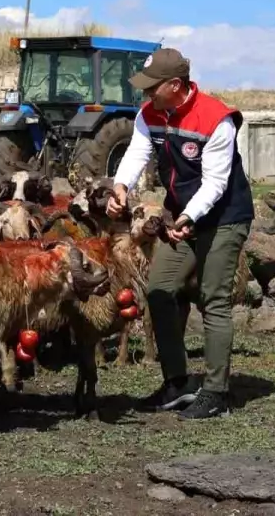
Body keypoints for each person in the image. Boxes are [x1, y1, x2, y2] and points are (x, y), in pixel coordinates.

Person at [107, 47, 254, 420]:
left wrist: (188, 216)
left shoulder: (217, 119)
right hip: (181, 214)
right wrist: (121, 187)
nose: (145, 95)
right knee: (159, 290)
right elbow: (137, 153)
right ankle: (177, 383)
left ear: (175, 84)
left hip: (223, 216)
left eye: (151, 87)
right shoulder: (150, 113)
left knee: (213, 299)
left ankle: (217, 392)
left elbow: (216, 183)